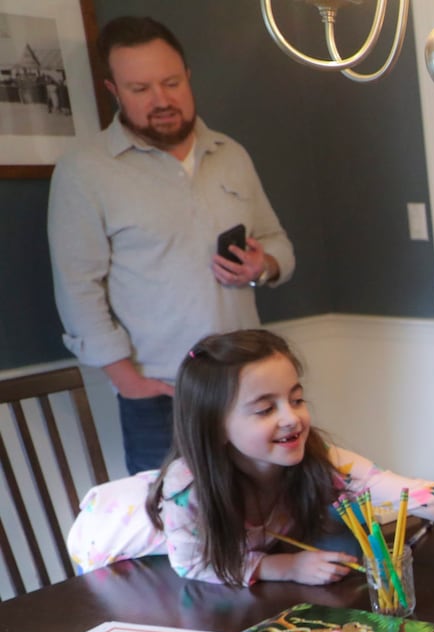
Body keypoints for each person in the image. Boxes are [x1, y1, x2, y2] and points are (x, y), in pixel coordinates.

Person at [67, 329, 434, 587]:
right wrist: (282, 566)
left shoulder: (316, 461)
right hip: (116, 545)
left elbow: (423, 496)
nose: (291, 418)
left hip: (218, 548)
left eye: (296, 398)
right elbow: (193, 563)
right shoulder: (187, 489)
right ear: (215, 426)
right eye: (264, 408)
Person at [48, 16, 294, 475]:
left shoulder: (231, 154)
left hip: (250, 385)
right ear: (113, 90)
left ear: (188, 77)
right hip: (163, 394)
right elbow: (77, 288)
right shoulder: (84, 171)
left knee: (268, 517)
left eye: (171, 82)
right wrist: (127, 381)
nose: (161, 100)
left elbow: (279, 243)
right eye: (140, 88)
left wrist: (264, 264)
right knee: (172, 534)